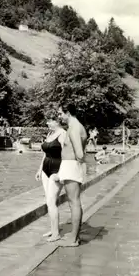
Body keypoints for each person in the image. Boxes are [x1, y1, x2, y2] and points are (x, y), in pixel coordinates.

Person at [57, 103, 87, 247]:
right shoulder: (76, 126)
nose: (59, 117)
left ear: (67, 112)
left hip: (71, 165)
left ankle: (73, 239)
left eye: (60, 113)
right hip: (70, 165)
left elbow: (79, 153)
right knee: (73, 201)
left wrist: (80, 164)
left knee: (73, 201)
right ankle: (75, 235)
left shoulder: (74, 128)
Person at [35, 112, 66, 242]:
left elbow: (67, 154)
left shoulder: (63, 134)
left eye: (49, 121)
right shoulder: (50, 134)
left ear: (56, 121)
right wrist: (39, 169)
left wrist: (61, 173)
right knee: (49, 201)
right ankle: (53, 229)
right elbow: (45, 154)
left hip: (56, 170)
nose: (47, 123)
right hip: (46, 170)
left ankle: (56, 233)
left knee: (51, 201)